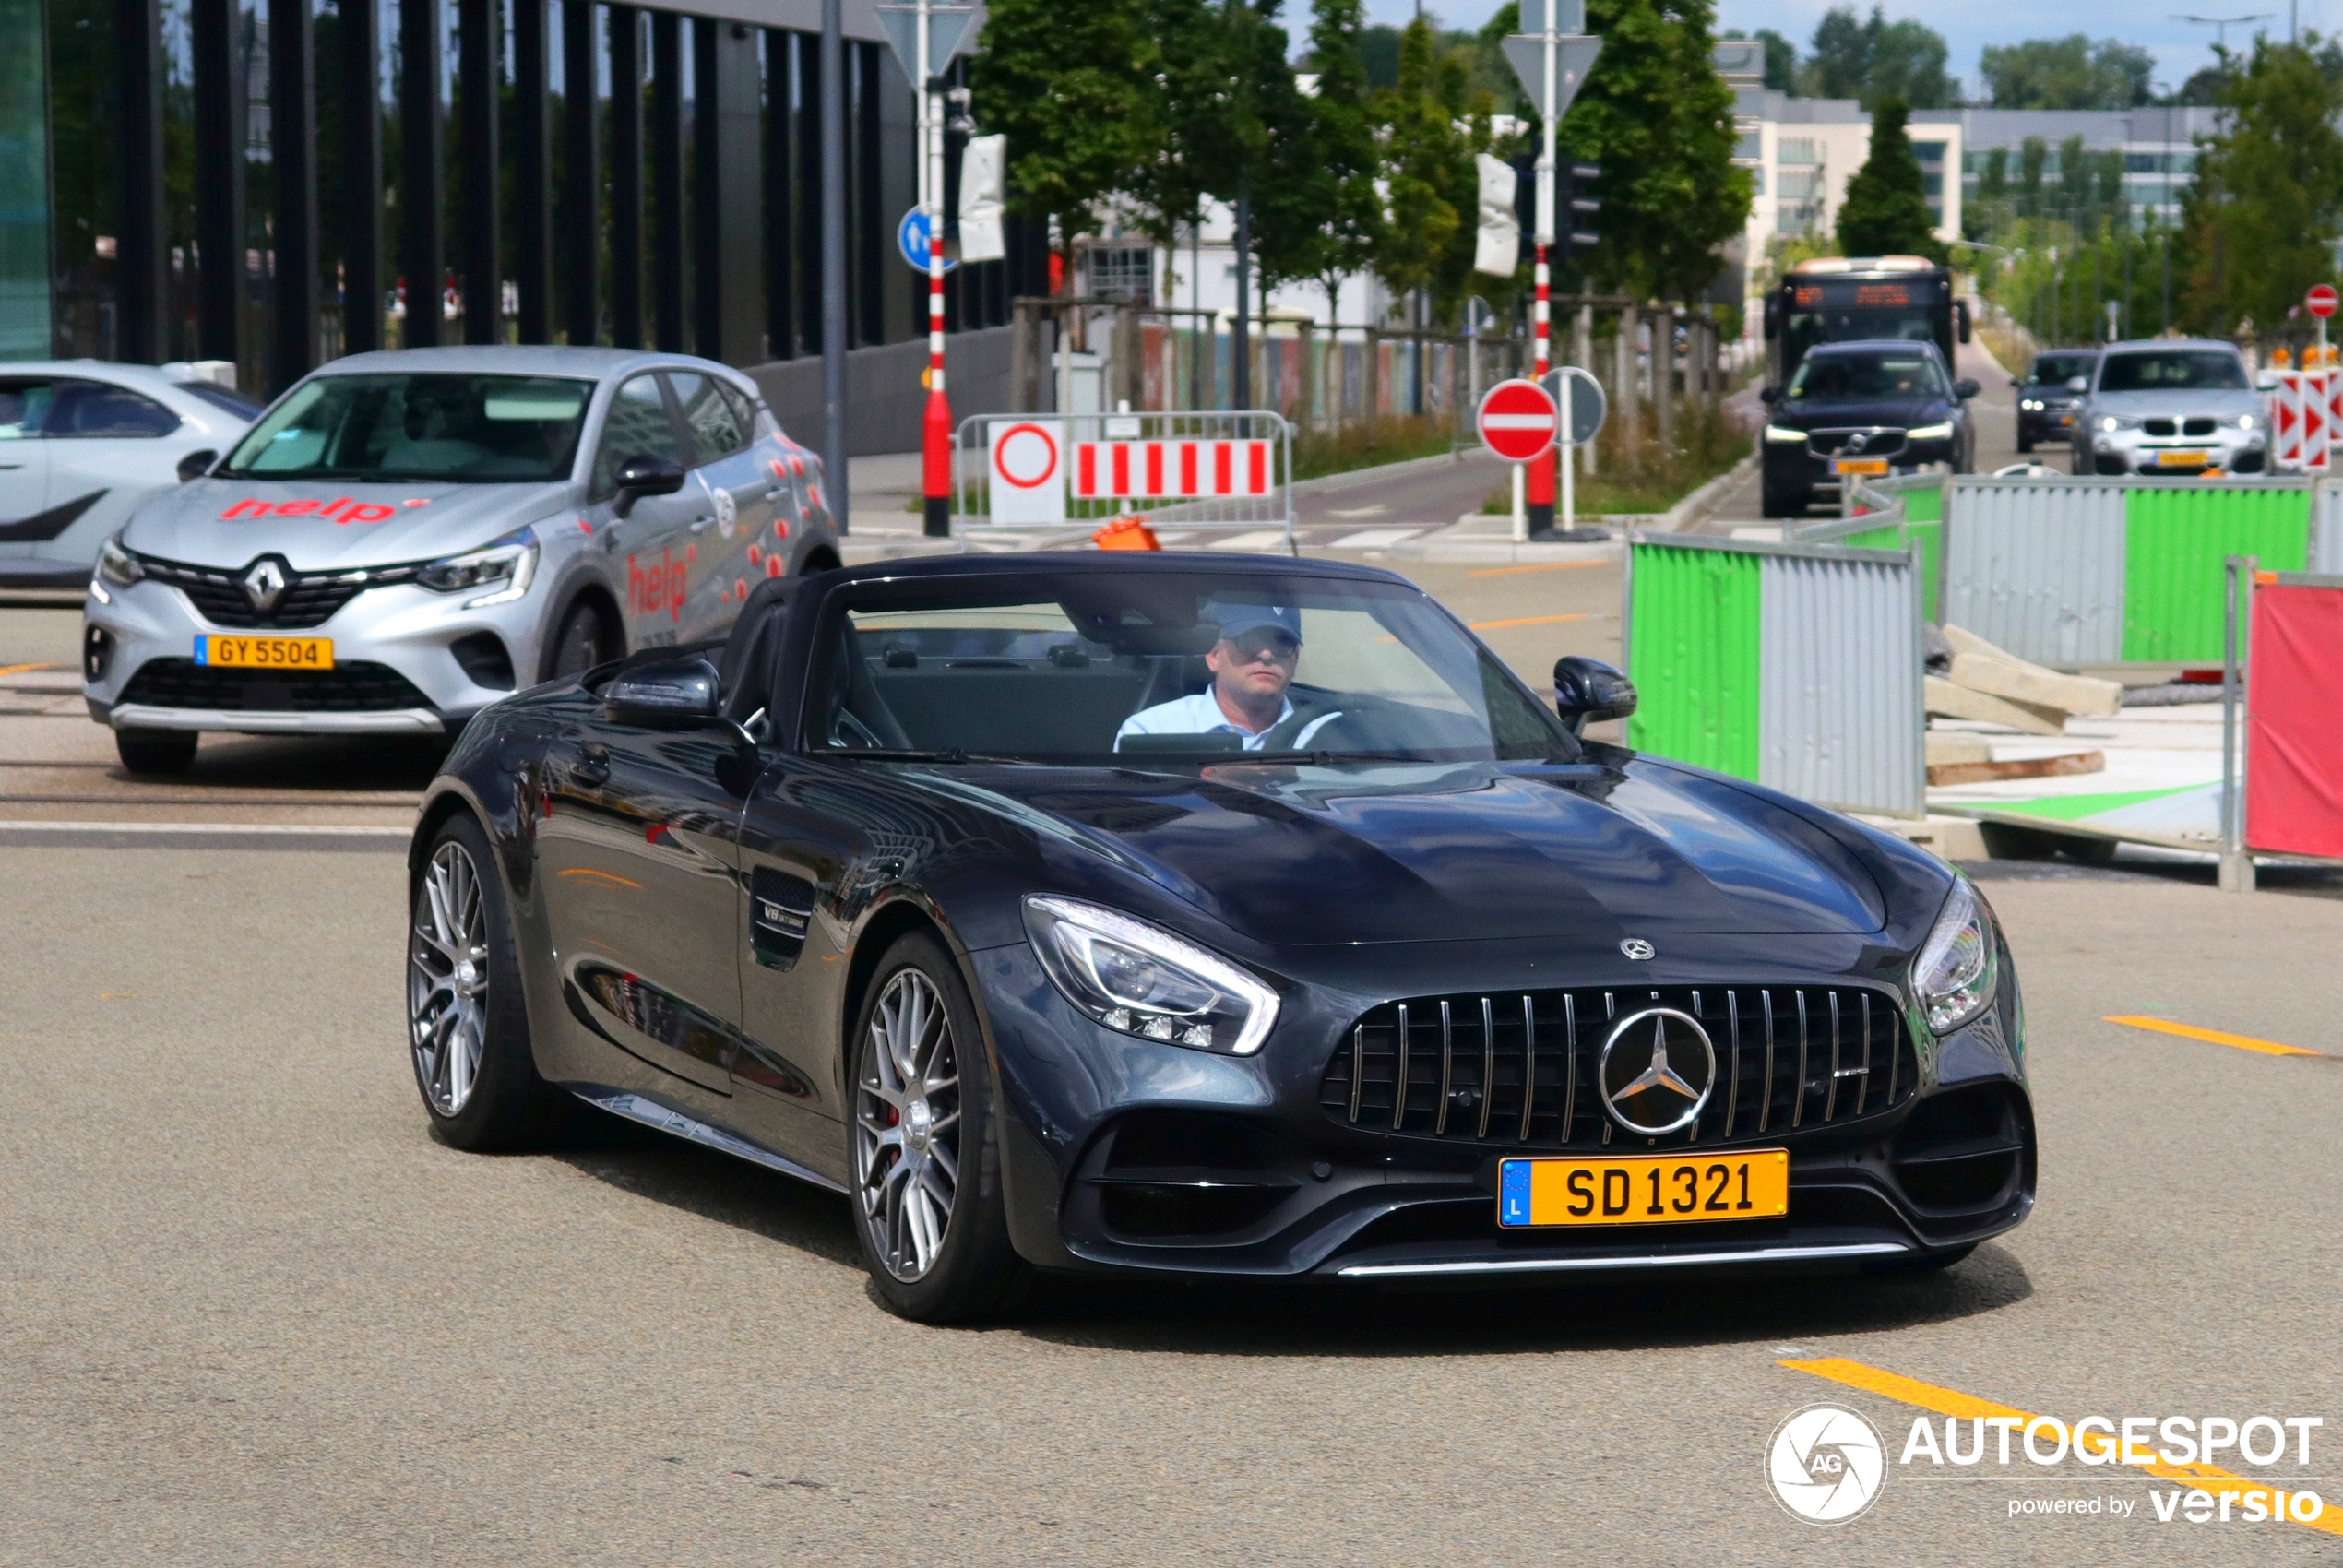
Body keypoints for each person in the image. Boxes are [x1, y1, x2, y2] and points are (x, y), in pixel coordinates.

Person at [1115, 602, 1342, 753]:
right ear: (1213, 656)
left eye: (1282, 642)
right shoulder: (1151, 732)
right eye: (1250, 640)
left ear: (1295, 659)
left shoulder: (1332, 735)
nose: (1266, 654)